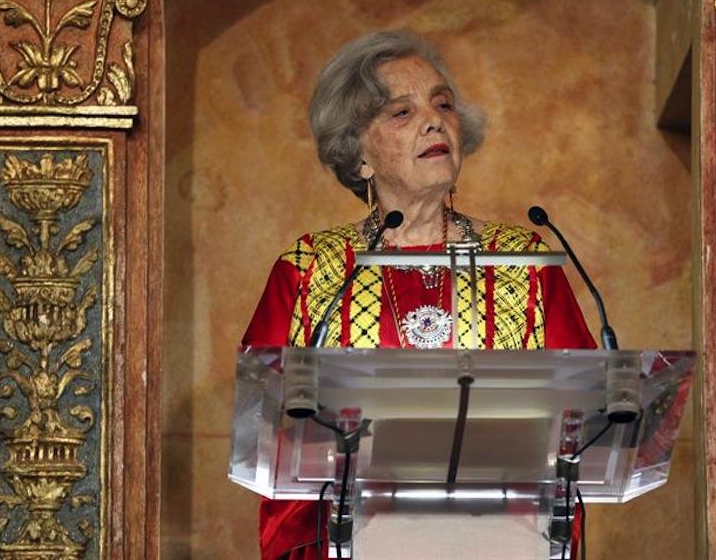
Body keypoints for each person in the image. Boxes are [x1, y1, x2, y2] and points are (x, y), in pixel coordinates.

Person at [243, 30, 597, 560]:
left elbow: (588, 417)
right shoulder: (311, 269)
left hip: (505, 541)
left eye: (443, 104)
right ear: (359, 154)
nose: (434, 119)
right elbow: (265, 434)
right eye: (401, 112)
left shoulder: (522, 261)